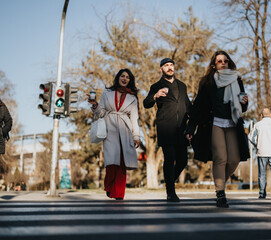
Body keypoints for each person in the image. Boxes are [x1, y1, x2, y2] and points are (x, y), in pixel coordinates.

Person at [185, 50, 249, 208]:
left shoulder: (236, 79)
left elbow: (243, 105)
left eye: (225, 61)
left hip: (232, 123)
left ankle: (219, 183)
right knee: (220, 157)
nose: (223, 63)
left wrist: (244, 102)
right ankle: (220, 194)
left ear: (229, 62)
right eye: (219, 61)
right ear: (214, 64)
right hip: (214, 123)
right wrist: (191, 128)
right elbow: (198, 105)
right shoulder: (207, 81)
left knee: (234, 159)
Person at [143, 58, 191, 202]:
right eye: (166, 66)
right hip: (166, 128)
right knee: (169, 160)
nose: (170, 68)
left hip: (182, 128)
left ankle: (168, 181)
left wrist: (193, 123)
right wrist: (155, 95)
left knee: (183, 161)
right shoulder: (156, 86)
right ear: (161, 69)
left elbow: (187, 105)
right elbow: (146, 103)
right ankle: (171, 192)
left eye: (171, 65)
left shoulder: (182, 86)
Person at [88, 68, 140, 200]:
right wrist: (95, 105)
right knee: (111, 162)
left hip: (125, 131)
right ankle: (109, 186)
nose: (124, 79)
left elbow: (134, 118)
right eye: (122, 76)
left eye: (127, 77)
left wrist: (136, 136)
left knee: (122, 163)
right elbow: (102, 112)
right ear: (118, 78)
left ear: (130, 80)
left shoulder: (132, 97)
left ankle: (119, 194)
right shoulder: (107, 93)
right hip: (109, 129)